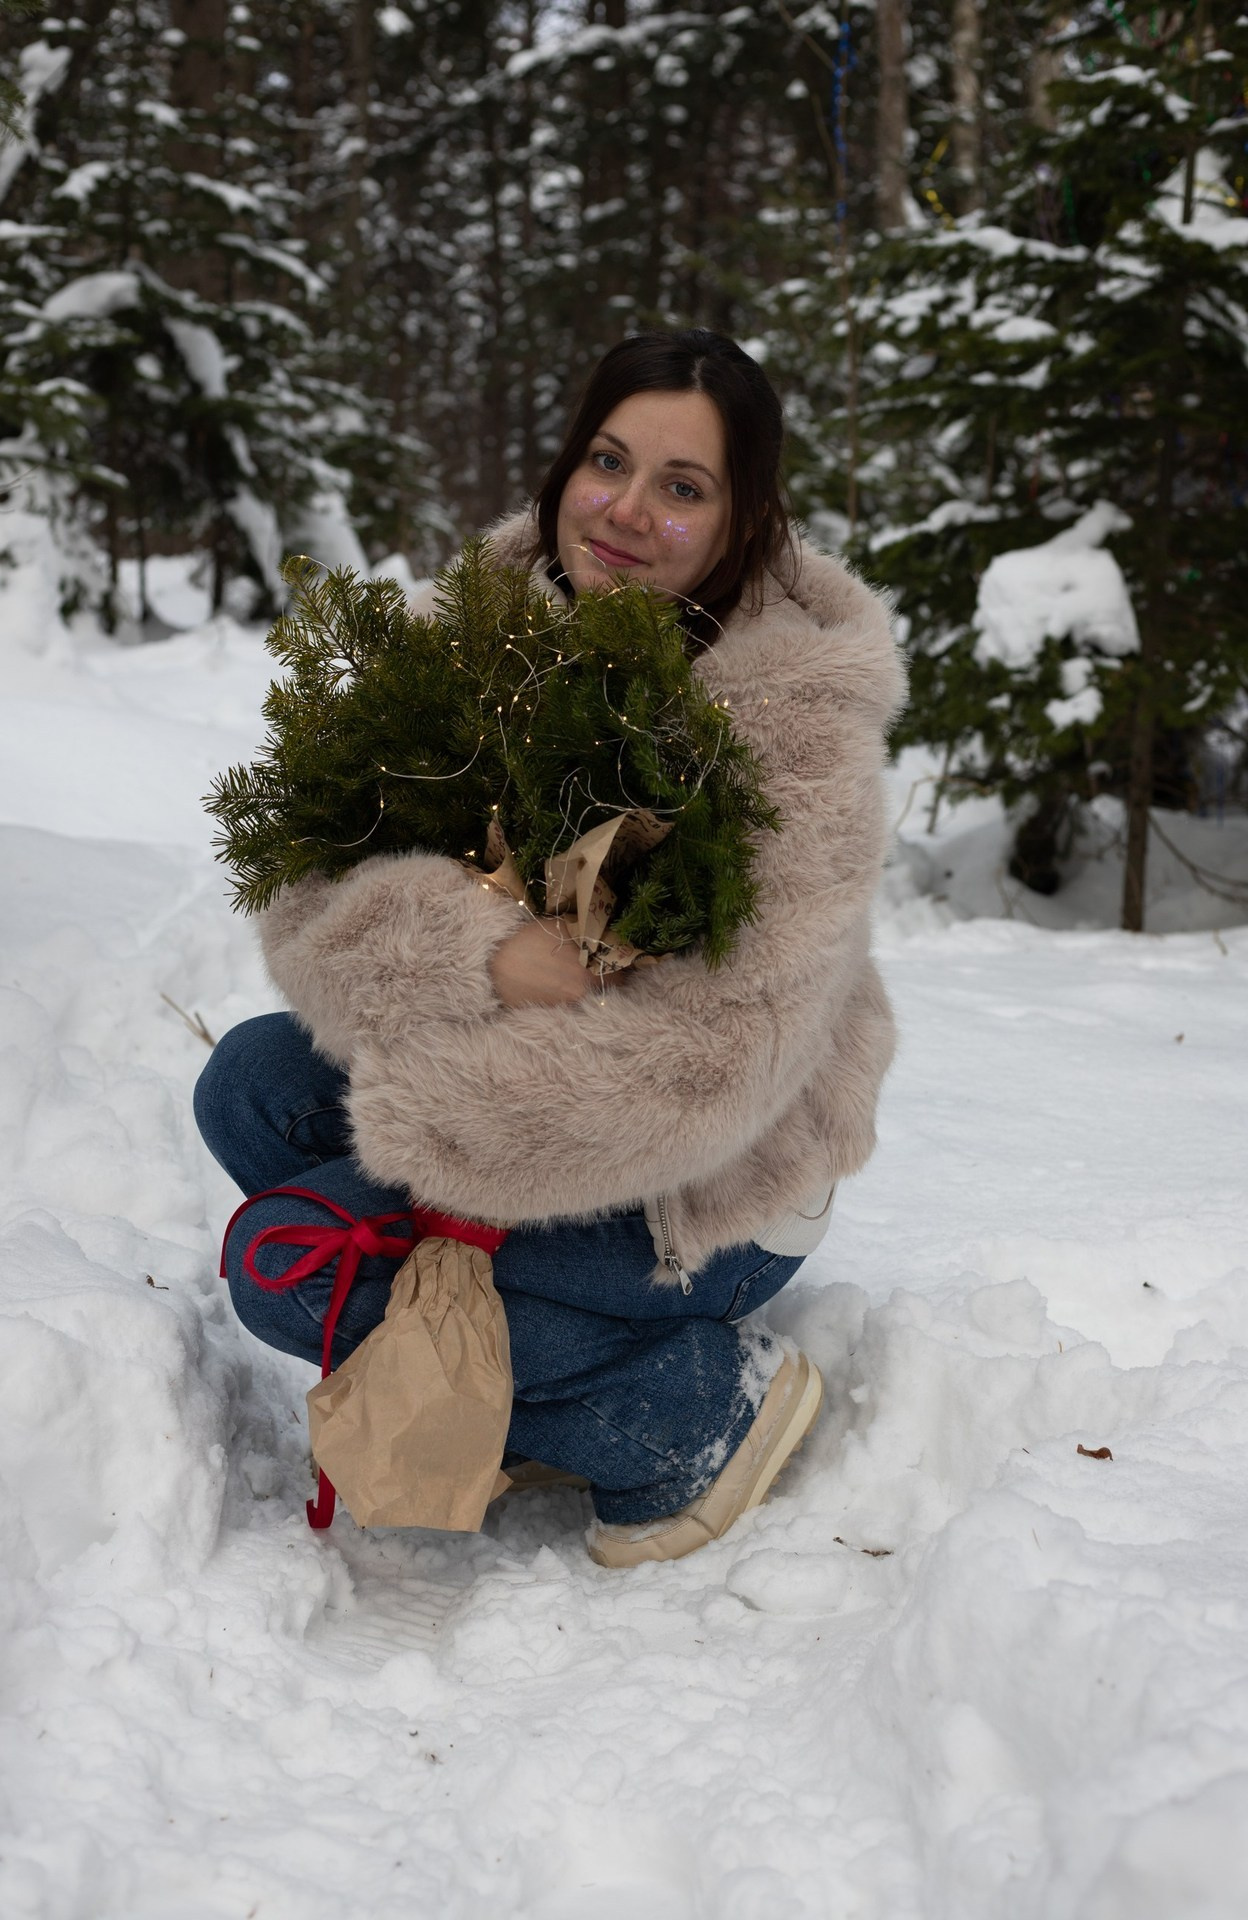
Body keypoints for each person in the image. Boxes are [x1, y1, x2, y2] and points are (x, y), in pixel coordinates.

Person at [193, 328, 904, 1568]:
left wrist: (422, 1129)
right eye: (606, 462)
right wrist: (474, 954)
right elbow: (304, 895)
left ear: (740, 520)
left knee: (287, 1262)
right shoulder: (476, 627)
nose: (623, 511)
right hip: (511, 1097)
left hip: (707, 1190)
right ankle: (540, 1353)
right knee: (249, 1084)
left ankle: (684, 1415)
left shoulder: (791, 728)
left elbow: (708, 1068)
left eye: (681, 487)